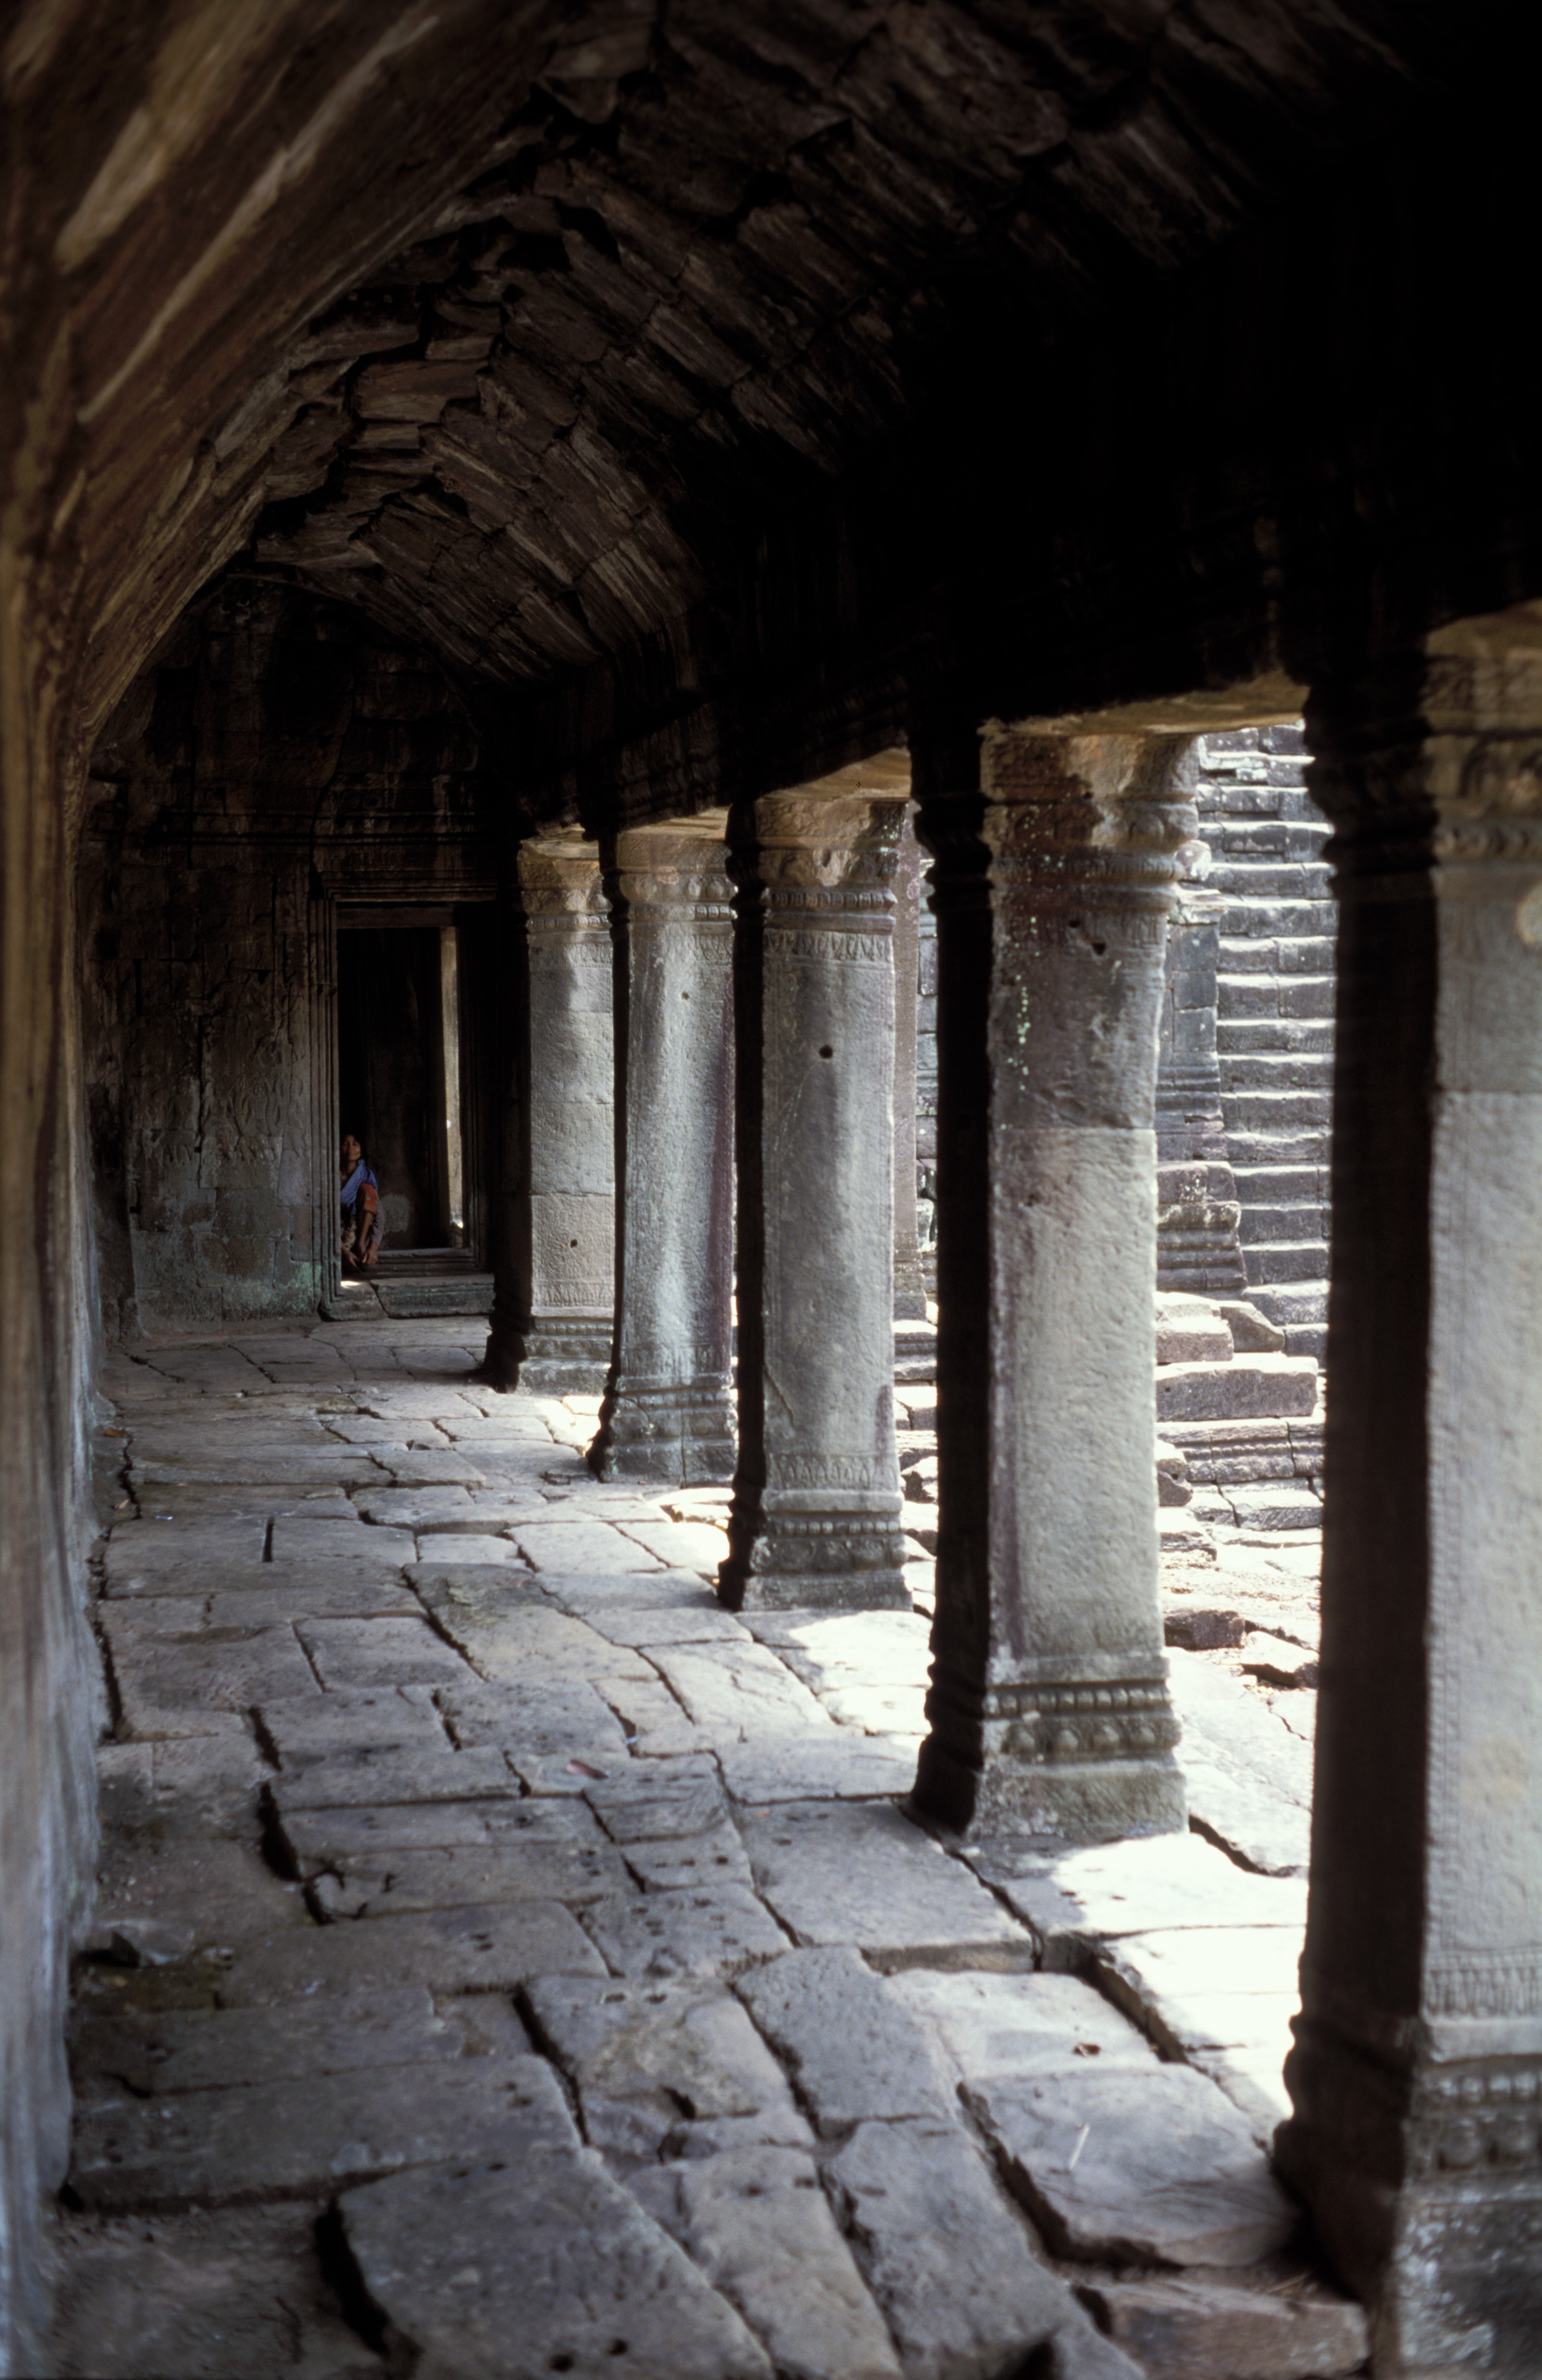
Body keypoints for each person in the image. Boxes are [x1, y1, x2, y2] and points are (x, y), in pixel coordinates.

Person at [339, 1133, 383, 1270]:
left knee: (367, 1190)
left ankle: (360, 1245)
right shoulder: (331, 1176)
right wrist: (343, 1251)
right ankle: (346, 1254)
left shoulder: (365, 1175)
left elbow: (380, 1216)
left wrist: (373, 1248)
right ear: (338, 1148)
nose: (350, 1148)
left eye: (355, 1144)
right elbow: (325, 1218)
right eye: (345, 1144)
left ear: (361, 1150)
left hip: (359, 1232)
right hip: (337, 1235)